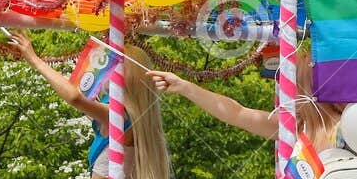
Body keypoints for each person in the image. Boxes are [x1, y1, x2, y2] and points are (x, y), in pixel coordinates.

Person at [3, 33, 172, 179]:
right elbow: (83, 96)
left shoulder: (118, 116)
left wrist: (34, 59)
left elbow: (75, 98)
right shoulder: (141, 122)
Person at [148, 51, 345, 152]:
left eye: (290, 86)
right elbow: (236, 113)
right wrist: (185, 87)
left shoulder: (346, 127)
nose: (286, 94)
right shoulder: (295, 128)